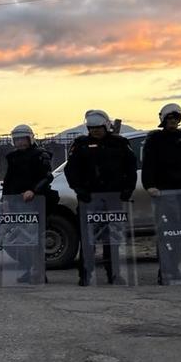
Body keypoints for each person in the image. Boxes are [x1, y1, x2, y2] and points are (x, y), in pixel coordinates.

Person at [64, 110, 137, 286]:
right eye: (91, 128)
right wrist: (79, 190)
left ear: (106, 126)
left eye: (98, 128)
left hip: (113, 198)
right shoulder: (81, 144)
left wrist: (128, 190)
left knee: (112, 238)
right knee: (88, 239)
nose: (95, 131)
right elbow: (71, 170)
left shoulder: (120, 143)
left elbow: (131, 168)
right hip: (89, 199)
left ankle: (114, 274)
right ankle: (86, 275)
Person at [141, 104, 181, 285]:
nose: (174, 122)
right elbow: (148, 165)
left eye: (176, 118)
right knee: (166, 233)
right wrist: (150, 186)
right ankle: (165, 271)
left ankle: (174, 269)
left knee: (180, 233)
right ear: (163, 120)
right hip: (163, 194)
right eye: (170, 119)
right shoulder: (155, 138)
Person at [0, 124, 56, 284]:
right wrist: (5, 201)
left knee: (35, 239)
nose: (20, 142)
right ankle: (28, 269)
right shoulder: (13, 157)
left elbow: (47, 177)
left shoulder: (40, 155)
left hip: (36, 202)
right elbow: (8, 181)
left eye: (22, 139)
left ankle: (39, 272)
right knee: (21, 239)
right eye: (16, 140)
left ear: (30, 138)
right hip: (17, 202)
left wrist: (33, 190)